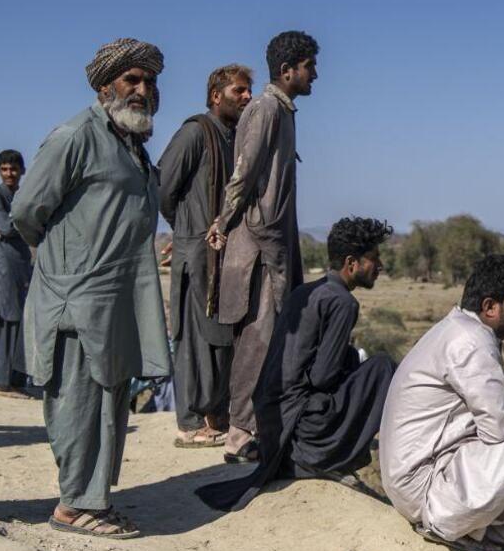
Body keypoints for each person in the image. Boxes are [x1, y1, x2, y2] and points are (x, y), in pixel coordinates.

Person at [12, 38, 170, 540]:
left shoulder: (132, 148)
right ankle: (72, 506)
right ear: (106, 87)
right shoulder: (75, 136)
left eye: (149, 81)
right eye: (132, 80)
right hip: (75, 299)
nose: (143, 90)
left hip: (119, 300)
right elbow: (26, 212)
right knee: (77, 399)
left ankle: (94, 500)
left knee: (109, 399)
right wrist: (66, 265)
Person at [380, 254, 504, 551]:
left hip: (416, 475)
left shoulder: (460, 329)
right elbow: (499, 429)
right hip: (423, 486)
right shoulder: (470, 342)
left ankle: (474, 527)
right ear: (490, 307)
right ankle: (467, 529)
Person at [198, 217, 396, 511]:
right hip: (301, 429)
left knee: (353, 358)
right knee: (382, 366)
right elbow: (322, 378)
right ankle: (323, 457)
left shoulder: (306, 292)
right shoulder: (343, 303)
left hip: (271, 425)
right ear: (352, 263)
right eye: (374, 259)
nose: (379, 267)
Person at [207, 31, 318, 465]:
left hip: (275, 245)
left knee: (272, 339)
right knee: (256, 338)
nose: (316, 75)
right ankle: (239, 434)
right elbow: (245, 172)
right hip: (256, 247)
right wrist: (222, 222)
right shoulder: (266, 107)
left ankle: (259, 429)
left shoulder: (284, 112)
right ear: (287, 70)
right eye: (310, 66)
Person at [158, 64, 253, 446]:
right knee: (195, 338)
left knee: (220, 336)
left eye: (248, 92)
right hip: (196, 252)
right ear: (216, 96)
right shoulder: (196, 132)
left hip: (225, 255)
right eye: (239, 92)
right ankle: (191, 422)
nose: (246, 98)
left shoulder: (235, 137)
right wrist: (186, 230)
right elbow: (163, 187)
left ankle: (216, 414)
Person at [0, 150, 33, 397]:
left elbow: (27, 222)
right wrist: (25, 224)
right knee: (6, 320)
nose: (9, 173)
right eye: (4, 169)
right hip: (3, 267)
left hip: (22, 266)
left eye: (13, 169)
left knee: (23, 322)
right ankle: (1, 382)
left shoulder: (24, 195)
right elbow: (4, 225)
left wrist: (17, 226)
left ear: (22, 170)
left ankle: (17, 380)